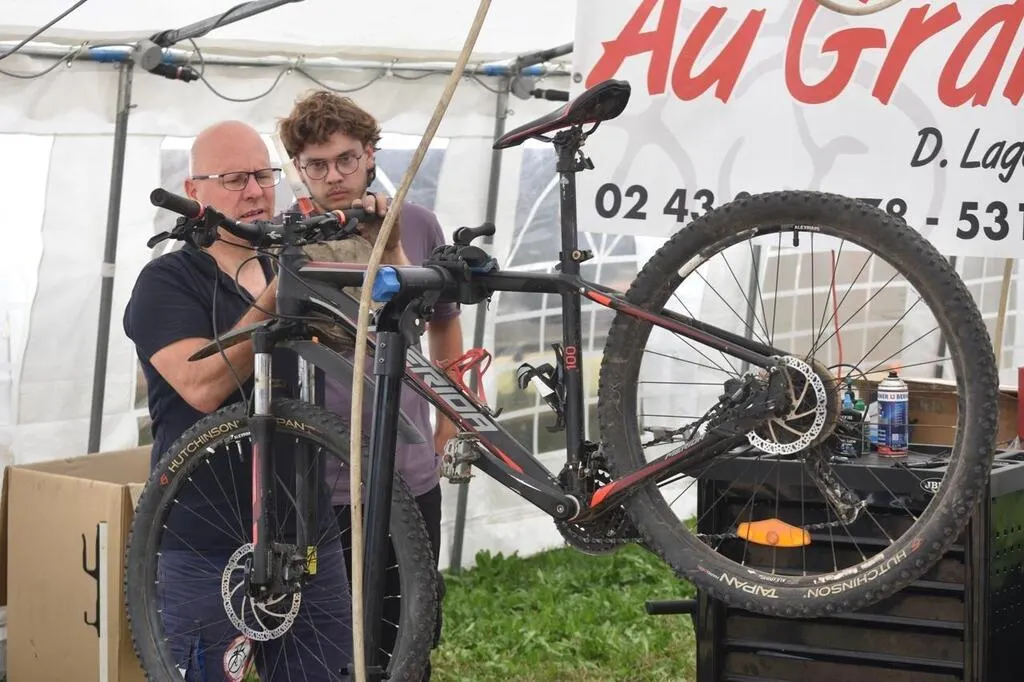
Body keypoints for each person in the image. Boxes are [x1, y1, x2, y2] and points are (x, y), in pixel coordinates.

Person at [123, 119, 393, 681]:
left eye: (263, 176)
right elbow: (201, 387)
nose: (253, 192)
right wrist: (279, 295)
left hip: (305, 530)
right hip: (202, 540)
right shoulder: (167, 282)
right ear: (194, 191)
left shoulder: (284, 262)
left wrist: (380, 241)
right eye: (234, 178)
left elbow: (378, 326)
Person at [276, 90, 464, 674]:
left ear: (372, 154)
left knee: (409, 634)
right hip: (319, 480)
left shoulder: (417, 221)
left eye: (346, 159)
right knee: (332, 640)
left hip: (408, 472)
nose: (334, 176)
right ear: (297, 169)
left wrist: (447, 430)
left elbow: (443, 326)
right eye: (317, 165)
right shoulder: (287, 236)